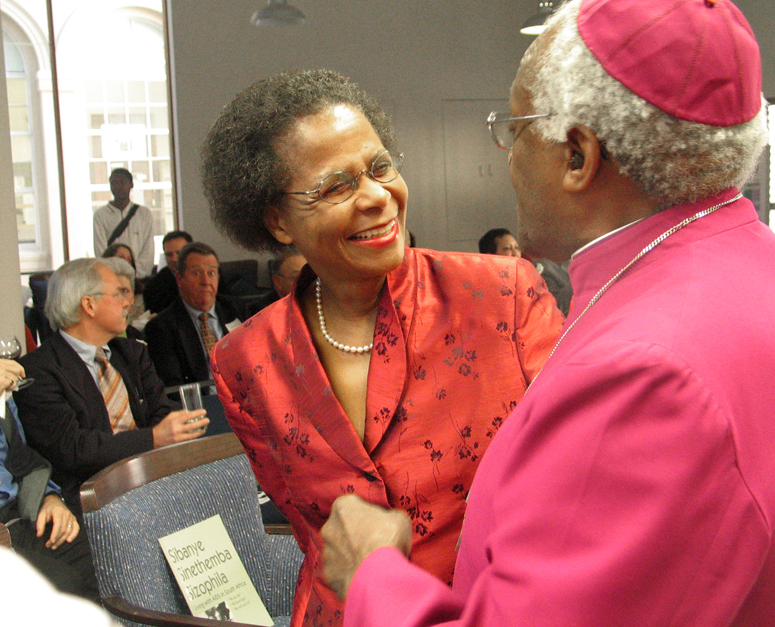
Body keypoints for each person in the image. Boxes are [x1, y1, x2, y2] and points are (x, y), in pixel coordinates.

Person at [320, 0, 775, 627]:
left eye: (514, 129)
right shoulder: (738, 250)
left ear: (575, 155)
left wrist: (372, 572)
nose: (507, 158)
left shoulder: (648, 370)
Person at [201, 68, 564, 627]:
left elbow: (573, 484)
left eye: (380, 168)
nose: (377, 198)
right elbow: (312, 535)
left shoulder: (502, 297)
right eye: (336, 185)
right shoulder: (244, 361)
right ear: (277, 221)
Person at [14, 258, 207, 516]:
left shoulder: (132, 353)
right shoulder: (38, 370)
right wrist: (154, 437)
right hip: (92, 500)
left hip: (155, 483)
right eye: (119, 293)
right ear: (89, 305)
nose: (128, 302)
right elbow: (73, 449)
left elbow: (161, 413)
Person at [1, 359, 100, 601]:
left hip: (19, 516)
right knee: (64, 587)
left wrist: (50, 497)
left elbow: (21, 458)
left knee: (106, 560)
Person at [143, 242, 246, 388]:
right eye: (196, 273)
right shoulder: (161, 328)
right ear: (180, 279)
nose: (206, 282)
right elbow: (174, 386)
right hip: (203, 404)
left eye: (211, 273)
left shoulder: (235, 309)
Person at [93, 168, 155, 279]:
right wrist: (115, 274)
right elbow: (100, 251)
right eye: (114, 183)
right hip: (112, 277)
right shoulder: (100, 215)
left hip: (139, 278)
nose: (118, 186)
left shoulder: (144, 214)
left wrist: (135, 274)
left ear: (131, 185)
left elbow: (148, 250)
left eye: (122, 182)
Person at [247, 247, 308, 316]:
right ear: (277, 282)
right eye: (296, 277)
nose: (306, 281)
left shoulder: (314, 303)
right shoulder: (259, 312)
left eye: (309, 276)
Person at [142, 230, 192, 314]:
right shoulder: (154, 286)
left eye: (179, 253)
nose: (174, 259)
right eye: (169, 255)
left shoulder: (209, 276)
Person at [104, 256, 148, 338]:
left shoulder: (138, 337)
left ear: (133, 297)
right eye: (114, 292)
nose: (121, 298)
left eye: (124, 291)